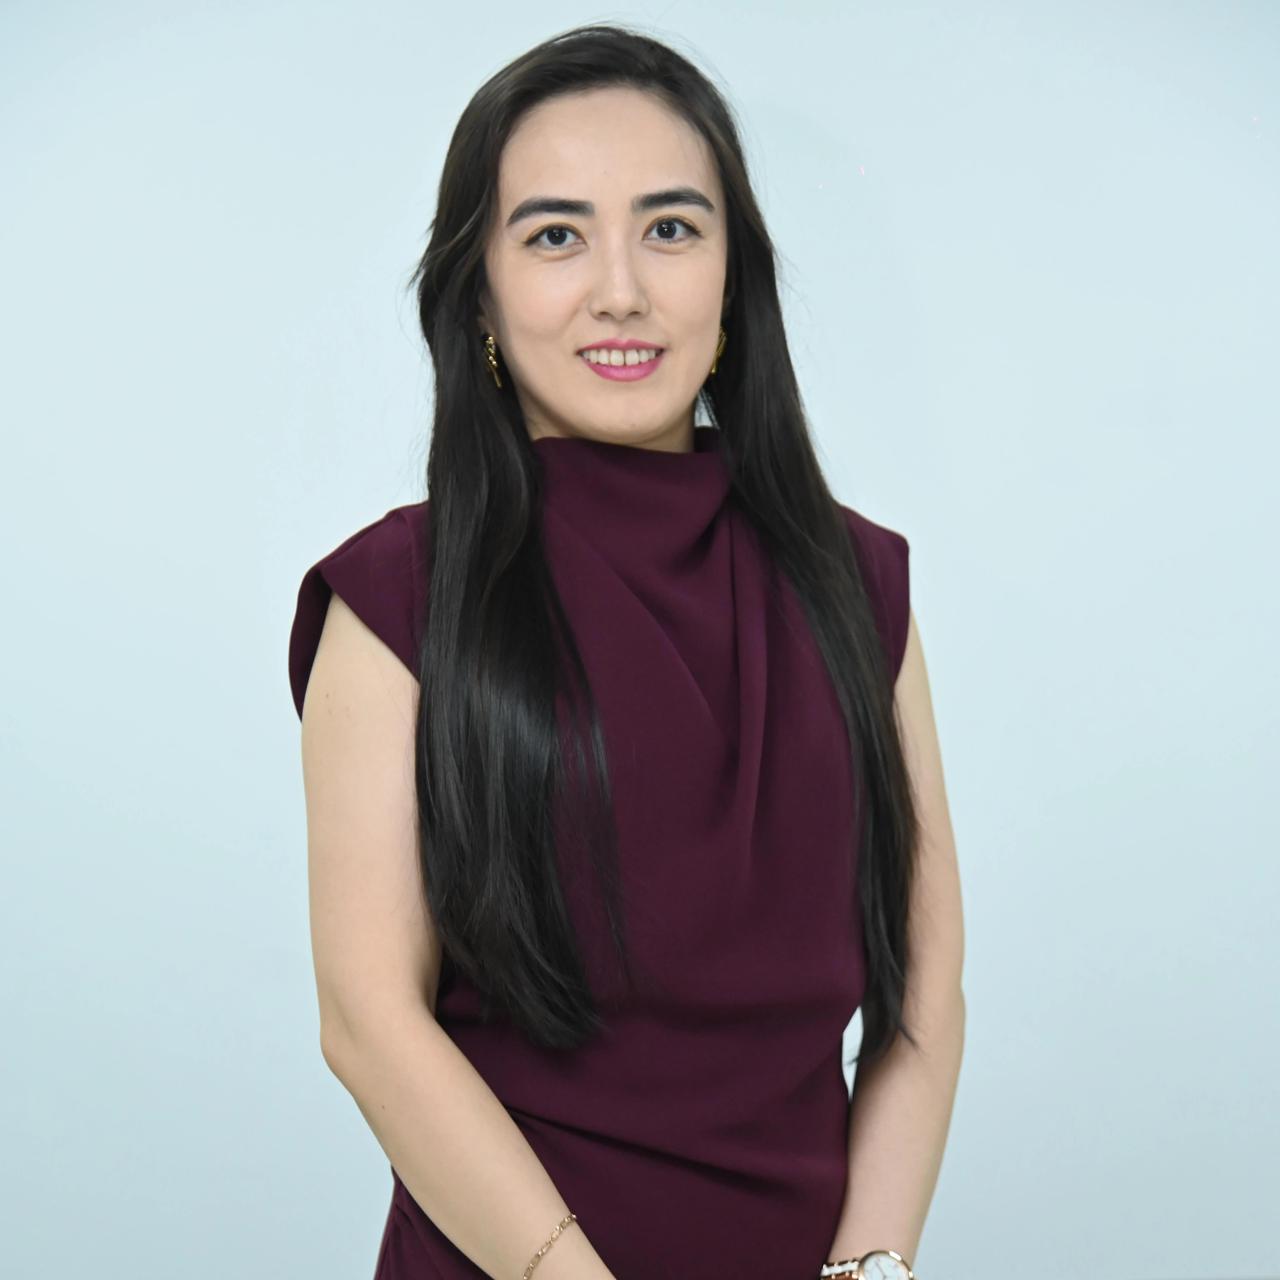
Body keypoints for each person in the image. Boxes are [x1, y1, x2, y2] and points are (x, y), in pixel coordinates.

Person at [288, 22, 964, 1280]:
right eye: (555, 236)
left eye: (669, 228)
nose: (620, 290)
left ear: (732, 274)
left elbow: (922, 999)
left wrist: (867, 1272)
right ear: (479, 294)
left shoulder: (857, 582)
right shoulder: (394, 599)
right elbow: (368, 1021)